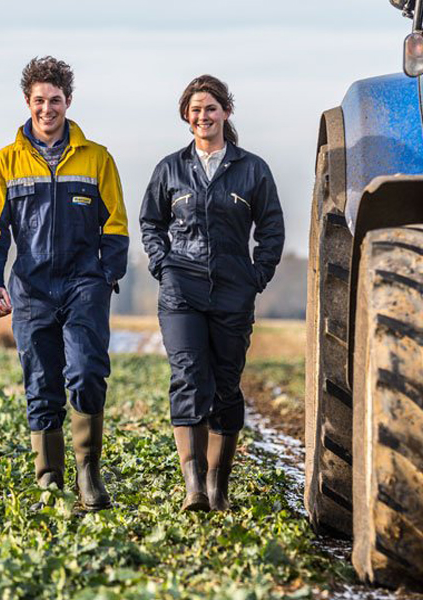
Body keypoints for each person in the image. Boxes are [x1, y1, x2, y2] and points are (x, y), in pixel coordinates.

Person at [0, 56, 129, 511]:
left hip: (85, 283)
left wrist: (105, 276)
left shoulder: (98, 158)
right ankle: (49, 480)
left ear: (69, 101)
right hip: (32, 288)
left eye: (55, 100)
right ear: (28, 102)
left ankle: (88, 472)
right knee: (40, 382)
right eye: (39, 100)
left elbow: (116, 225)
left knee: (85, 371)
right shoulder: (5, 163)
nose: (47, 109)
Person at [139, 75, 285, 511]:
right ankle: (194, 488)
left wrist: (257, 275)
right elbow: (150, 222)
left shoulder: (252, 168)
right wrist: (162, 265)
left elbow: (272, 226)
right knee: (188, 378)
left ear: (226, 112)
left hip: (232, 292)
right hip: (180, 291)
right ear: (187, 116)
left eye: (211, 108)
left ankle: (219, 489)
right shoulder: (170, 168)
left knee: (225, 386)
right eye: (196, 109)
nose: (204, 116)